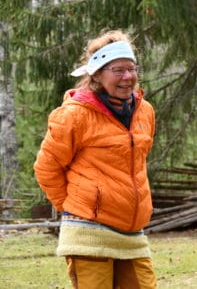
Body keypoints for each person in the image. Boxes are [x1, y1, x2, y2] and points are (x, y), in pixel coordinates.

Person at [34, 30, 157, 288]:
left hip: (132, 233)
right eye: (118, 70)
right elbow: (47, 168)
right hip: (88, 233)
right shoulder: (73, 115)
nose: (128, 77)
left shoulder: (145, 111)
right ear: (97, 75)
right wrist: (77, 205)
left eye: (131, 69)